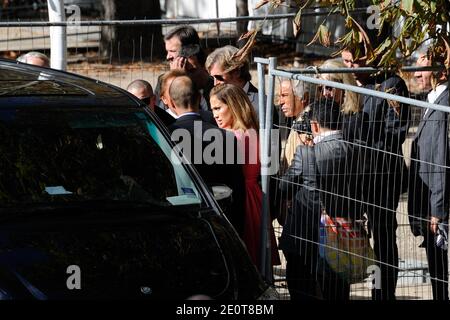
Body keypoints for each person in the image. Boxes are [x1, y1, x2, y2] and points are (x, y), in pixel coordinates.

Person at [342, 49, 410, 300]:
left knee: (383, 239)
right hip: (353, 176)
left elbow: (396, 133)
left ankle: (382, 293)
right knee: (354, 237)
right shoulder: (348, 82)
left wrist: (364, 141)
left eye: (355, 61)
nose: (350, 67)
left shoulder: (391, 84)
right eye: (346, 61)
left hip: (382, 176)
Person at [279, 99, 355, 300]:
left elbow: (284, 186)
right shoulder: (357, 150)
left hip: (304, 233)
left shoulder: (306, 153)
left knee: (302, 289)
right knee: (338, 291)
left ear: (314, 125)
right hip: (343, 233)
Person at [209, 83, 280, 270]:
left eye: (218, 108)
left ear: (232, 106)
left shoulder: (232, 136)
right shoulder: (253, 131)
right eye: (212, 109)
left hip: (241, 199)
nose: (215, 114)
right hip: (256, 197)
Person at [167, 75, 246, 236]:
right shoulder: (226, 136)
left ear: (172, 103)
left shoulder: (165, 135)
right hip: (221, 215)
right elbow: (237, 184)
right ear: (199, 98)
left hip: (180, 218)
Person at [409, 51, 449, 300]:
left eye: (423, 68)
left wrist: (437, 208)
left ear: (441, 72)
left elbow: (440, 160)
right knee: (437, 269)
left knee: (440, 269)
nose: (417, 74)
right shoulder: (433, 98)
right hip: (429, 200)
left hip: (436, 205)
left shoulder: (444, 103)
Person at [158, 25, 213, 111]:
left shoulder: (215, 82)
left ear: (189, 50)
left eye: (172, 51)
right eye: (167, 51)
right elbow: (162, 112)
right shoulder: (163, 80)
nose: (168, 57)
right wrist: (173, 80)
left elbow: (196, 119)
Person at [206, 45, 261, 116]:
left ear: (236, 72)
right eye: (212, 78)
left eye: (219, 77)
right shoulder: (214, 99)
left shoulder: (260, 105)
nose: (215, 84)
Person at [278, 78, 315, 168]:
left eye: (285, 95)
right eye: (279, 96)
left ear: (304, 97)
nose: (280, 102)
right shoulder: (299, 120)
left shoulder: (305, 127)